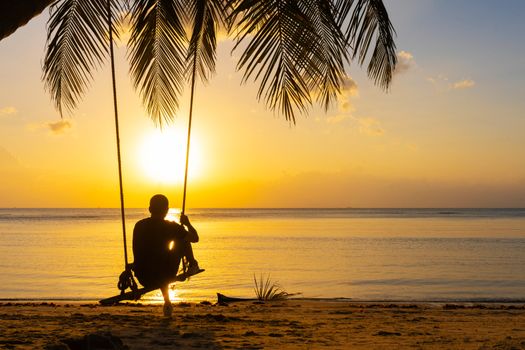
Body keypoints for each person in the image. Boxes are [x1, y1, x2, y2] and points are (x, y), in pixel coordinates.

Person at [132, 194, 203, 316]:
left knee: (157, 260)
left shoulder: (139, 225)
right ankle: (192, 264)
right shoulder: (171, 227)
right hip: (165, 273)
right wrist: (187, 223)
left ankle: (167, 301)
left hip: (143, 277)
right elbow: (195, 238)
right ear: (167, 210)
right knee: (183, 239)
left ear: (150, 209)